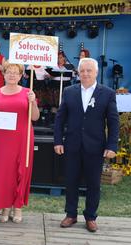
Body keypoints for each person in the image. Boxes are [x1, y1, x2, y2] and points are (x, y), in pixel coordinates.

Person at [54, 58, 119, 232]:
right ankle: (71, 214)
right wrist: (58, 141)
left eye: (89, 70)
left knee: (93, 184)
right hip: (72, 145)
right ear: (78, 73)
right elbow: (60, 119)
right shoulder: (69, 92)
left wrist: (112, 145)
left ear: (96, 72)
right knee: (71, 181)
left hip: (95, 147)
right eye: (82, 70)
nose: (85, 73)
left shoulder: (107, 93)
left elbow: (113, 122)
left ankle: (90, 216)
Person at [0, 62, 39, 223]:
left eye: (16, 72)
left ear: (21, 75)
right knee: (3, 172)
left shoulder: (27, 93)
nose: (12, 75)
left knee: (21, 170)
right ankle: (5, 207)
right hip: (2, 140)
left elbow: (35, 117)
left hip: (23, 137)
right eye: (9, 72)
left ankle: (17, 207)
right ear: (4, 74)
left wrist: (33, 101)